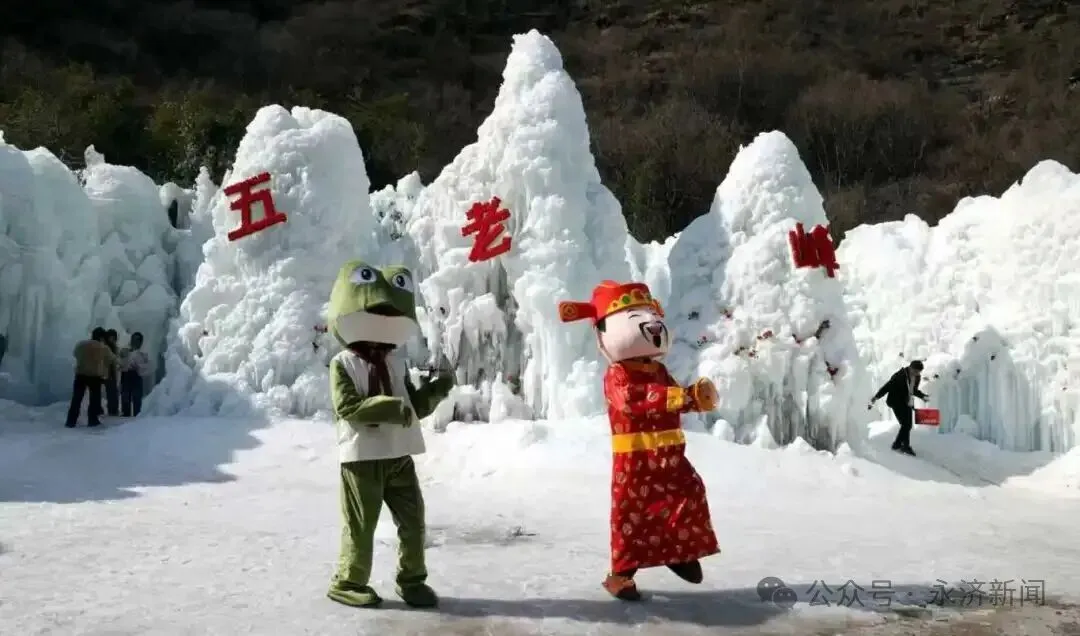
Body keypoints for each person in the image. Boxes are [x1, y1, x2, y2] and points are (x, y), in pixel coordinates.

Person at [559, 280, 721, 602]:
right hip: (636, 462)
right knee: (632, 516)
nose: (653, 327)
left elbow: (671, 396)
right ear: (604, 333)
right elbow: (634, 400)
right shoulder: (617, 374)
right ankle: (620, 574)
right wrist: (678, 397)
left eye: (653, 318)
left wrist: (694, 398)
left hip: (670, 456)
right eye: (635, 319)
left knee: (688, 493)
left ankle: (678, 552)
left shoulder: (659, 371)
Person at [869, 360, 929, 456]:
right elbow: (887, 387)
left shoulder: (917, 377)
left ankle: (902, 445)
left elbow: (913, 390)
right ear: (910, 368)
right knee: (906, 424)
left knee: (908, 425)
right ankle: (900, 445)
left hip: (907, 402)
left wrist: (923, 396)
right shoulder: (899, 376)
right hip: (896, 402)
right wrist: (876, 397)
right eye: (915, 371)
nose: (917, 373)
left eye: (918, 372)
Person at [65, 328, 120, 428]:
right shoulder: (103, 348)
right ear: (101, 337)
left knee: (76, 399)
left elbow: (75, 354)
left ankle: (71, 421)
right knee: (94, 399)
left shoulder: (81, 344)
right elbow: (113, 359)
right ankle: (92, 420)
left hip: (80, 375)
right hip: (95, 377)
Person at [120, 332, 151, 417]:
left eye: (137, 340)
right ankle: (126, 413)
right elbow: (120, 362)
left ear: (141, 342)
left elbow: (147, 366)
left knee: (137, 397)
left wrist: (138, 367)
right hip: (126, 374)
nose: (135, 342)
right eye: (133, 339)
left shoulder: (143, 354)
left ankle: (136, 415)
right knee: (125, 395)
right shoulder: (125, 350)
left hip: (137, 375)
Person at [103, 329, 121, 416]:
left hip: (112, 372)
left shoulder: (114, 347)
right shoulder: (106, 347)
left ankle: (113, 409)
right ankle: (112, 410)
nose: (113, 339)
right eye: (111, 337)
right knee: (111, 392)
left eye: (114, 337)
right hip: (107, 373)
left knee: (113, 392)